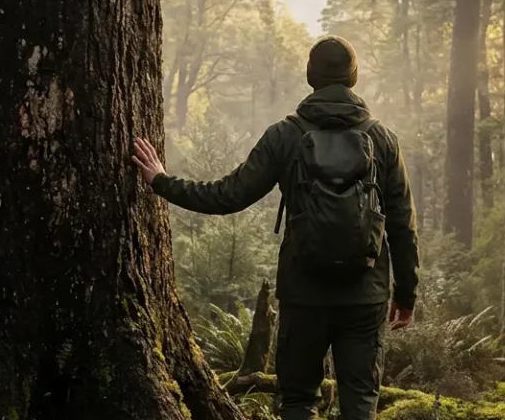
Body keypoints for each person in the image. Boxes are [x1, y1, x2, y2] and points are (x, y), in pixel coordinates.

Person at [131, 35, 419, 420]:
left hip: (304, 294)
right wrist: (406, 295)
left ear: (309, 76)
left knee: (298, 400)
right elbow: (402, 225)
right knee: (360, 401)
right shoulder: (382, 139)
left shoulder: (285, 136)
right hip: (364, 297)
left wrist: (162, 181)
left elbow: (228, 196)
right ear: (353, 77)